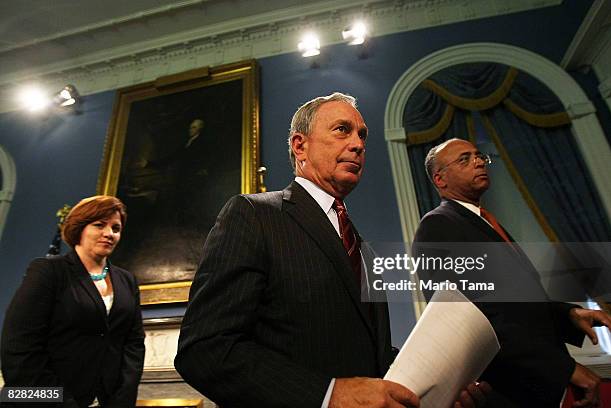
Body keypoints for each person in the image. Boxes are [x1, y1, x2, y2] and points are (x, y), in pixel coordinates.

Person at [175, 93, 488, 407]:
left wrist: (436, 385)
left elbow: (371, 356)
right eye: (342, 130)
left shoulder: (364, 251)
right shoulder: (253, 215)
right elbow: (205, 348)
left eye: (362, 135)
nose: (358, 144)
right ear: (301, 146)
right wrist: (328, 395)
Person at [413, 138, 611, 407]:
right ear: (440, 179)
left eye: (479, 155)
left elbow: (518, 306)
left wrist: (570, 314)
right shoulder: (438, 226)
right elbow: (472, 319)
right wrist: (562, 368)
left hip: (538, 385)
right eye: (464, 159)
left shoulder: (487, 222)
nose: (480, 161)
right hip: (507, 390)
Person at [1, 195, 145, 407]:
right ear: (79, 228)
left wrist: (122, 399)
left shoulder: (127, 281)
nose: (109, 234)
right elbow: (19, 346)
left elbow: (133, 345)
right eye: (99, 225)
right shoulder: (48, 271)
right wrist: (63, 402)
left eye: (116, 228)